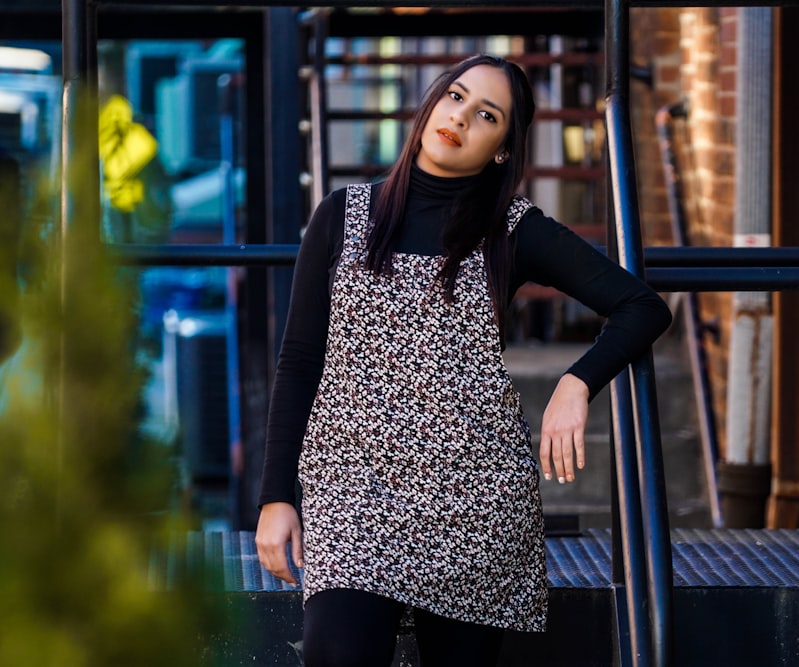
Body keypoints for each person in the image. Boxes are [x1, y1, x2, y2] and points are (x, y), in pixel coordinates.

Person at [255, 54, 672, 667]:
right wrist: (275, 496)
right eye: (455, 96)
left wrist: (577, 382)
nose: (460, 117)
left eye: (486, 115)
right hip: (352, 492)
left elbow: (641, 306)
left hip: (475, 500)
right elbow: (298, 361)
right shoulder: (342, 216)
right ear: (430, 103)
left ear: (503, 147)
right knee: (335, 654)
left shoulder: (512, 230)